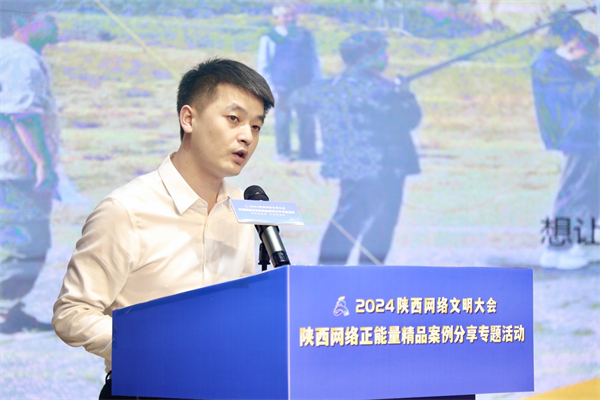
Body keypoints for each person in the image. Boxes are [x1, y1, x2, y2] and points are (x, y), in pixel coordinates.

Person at [52, 58, 274, 399]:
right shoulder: (126, 209)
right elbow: (71, 314)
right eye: (234, 119)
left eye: (256, 127)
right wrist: (155, 345)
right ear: (189, 118)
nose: (246, 136)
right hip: (145, 388)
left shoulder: (243, 209)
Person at [294, 31, 422, 265]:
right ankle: (367, 274)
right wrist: (404, 93)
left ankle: (327, 271)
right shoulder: (382, 91)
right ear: (364, 57)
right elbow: (409, 119)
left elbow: (303, 100)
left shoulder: (334, 86)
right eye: (381, 53)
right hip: (384, 167)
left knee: (347, 221)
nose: (386, 58)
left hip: (352, 166)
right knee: (380, 225)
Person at [0, 12, 59, 334]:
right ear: (20, 22)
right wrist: (42, 164)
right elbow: (22, 114)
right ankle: (4, 310)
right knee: (27, 244)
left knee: (18, 239)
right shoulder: (20, 58)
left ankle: (8, 308)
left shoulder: (11, 54)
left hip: (11, 167)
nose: (54, 22)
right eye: (44, 17)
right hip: (15, 169)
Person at [532, 17, 600, 270]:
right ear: (574, 43)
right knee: (576, 192)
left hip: (590, 137)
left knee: (590, 191)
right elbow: (577, 98)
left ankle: (580, 242)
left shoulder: (570, 68)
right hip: (577, 138)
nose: (590, 61)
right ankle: (561, 247)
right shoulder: (548, 66)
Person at [257, 2, 321, 161]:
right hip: (281, 86)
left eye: (292, 15)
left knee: (306, 119)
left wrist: (316, 82)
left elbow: (314, 61)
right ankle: (283, 152)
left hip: (304, 85)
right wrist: (269, 87)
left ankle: (308, 152)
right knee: (283, 120)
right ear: (277, 18)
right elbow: (264, 65)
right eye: (285, 16)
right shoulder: (270, 38)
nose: (290, 19)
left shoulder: (305, 36)